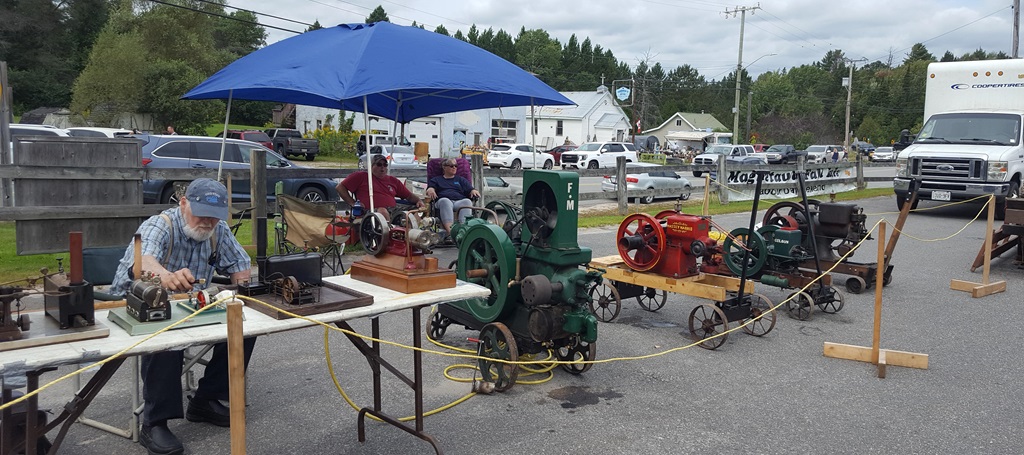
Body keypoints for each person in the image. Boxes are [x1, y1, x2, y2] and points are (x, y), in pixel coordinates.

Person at [109, 178, 256, 455]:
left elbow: (240, 263)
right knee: (168, 337)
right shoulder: (160, 224)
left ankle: (205, 400)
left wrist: (245, 287)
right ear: (184, 203)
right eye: (202, 214)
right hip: (138, 304)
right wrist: (165, 275)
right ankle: (154, 423)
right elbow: (143, 262)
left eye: (215, 217)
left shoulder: (218, 229)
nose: (208, 223)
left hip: (191, 306)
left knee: (244, 326)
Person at [336, 154, 424, 217]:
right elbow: (340, 187)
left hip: (393, 209)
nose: (382, 167)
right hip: (369, 211)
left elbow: (408, 195)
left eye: (385, 165)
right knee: (382, 211)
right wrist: (352, 203)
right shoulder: (361, 176)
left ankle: (413, 236)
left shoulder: (393, 180)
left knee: (418, 210)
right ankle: (387, 237)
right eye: (379, 164)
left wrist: (419, 201)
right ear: (372, 166)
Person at [426, 158, 480, 238]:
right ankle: (451, 233)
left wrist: (473, 191)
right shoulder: (437, 179)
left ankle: (463, 232)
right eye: (451, 166)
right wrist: (430, 189)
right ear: (444, 167)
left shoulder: (460, 179)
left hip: (458, 201)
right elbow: (430, 188)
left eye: (456, 166)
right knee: (445, 201)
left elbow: (470, 189)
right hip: (442, 201)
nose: (454, 168)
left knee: (467, 202)